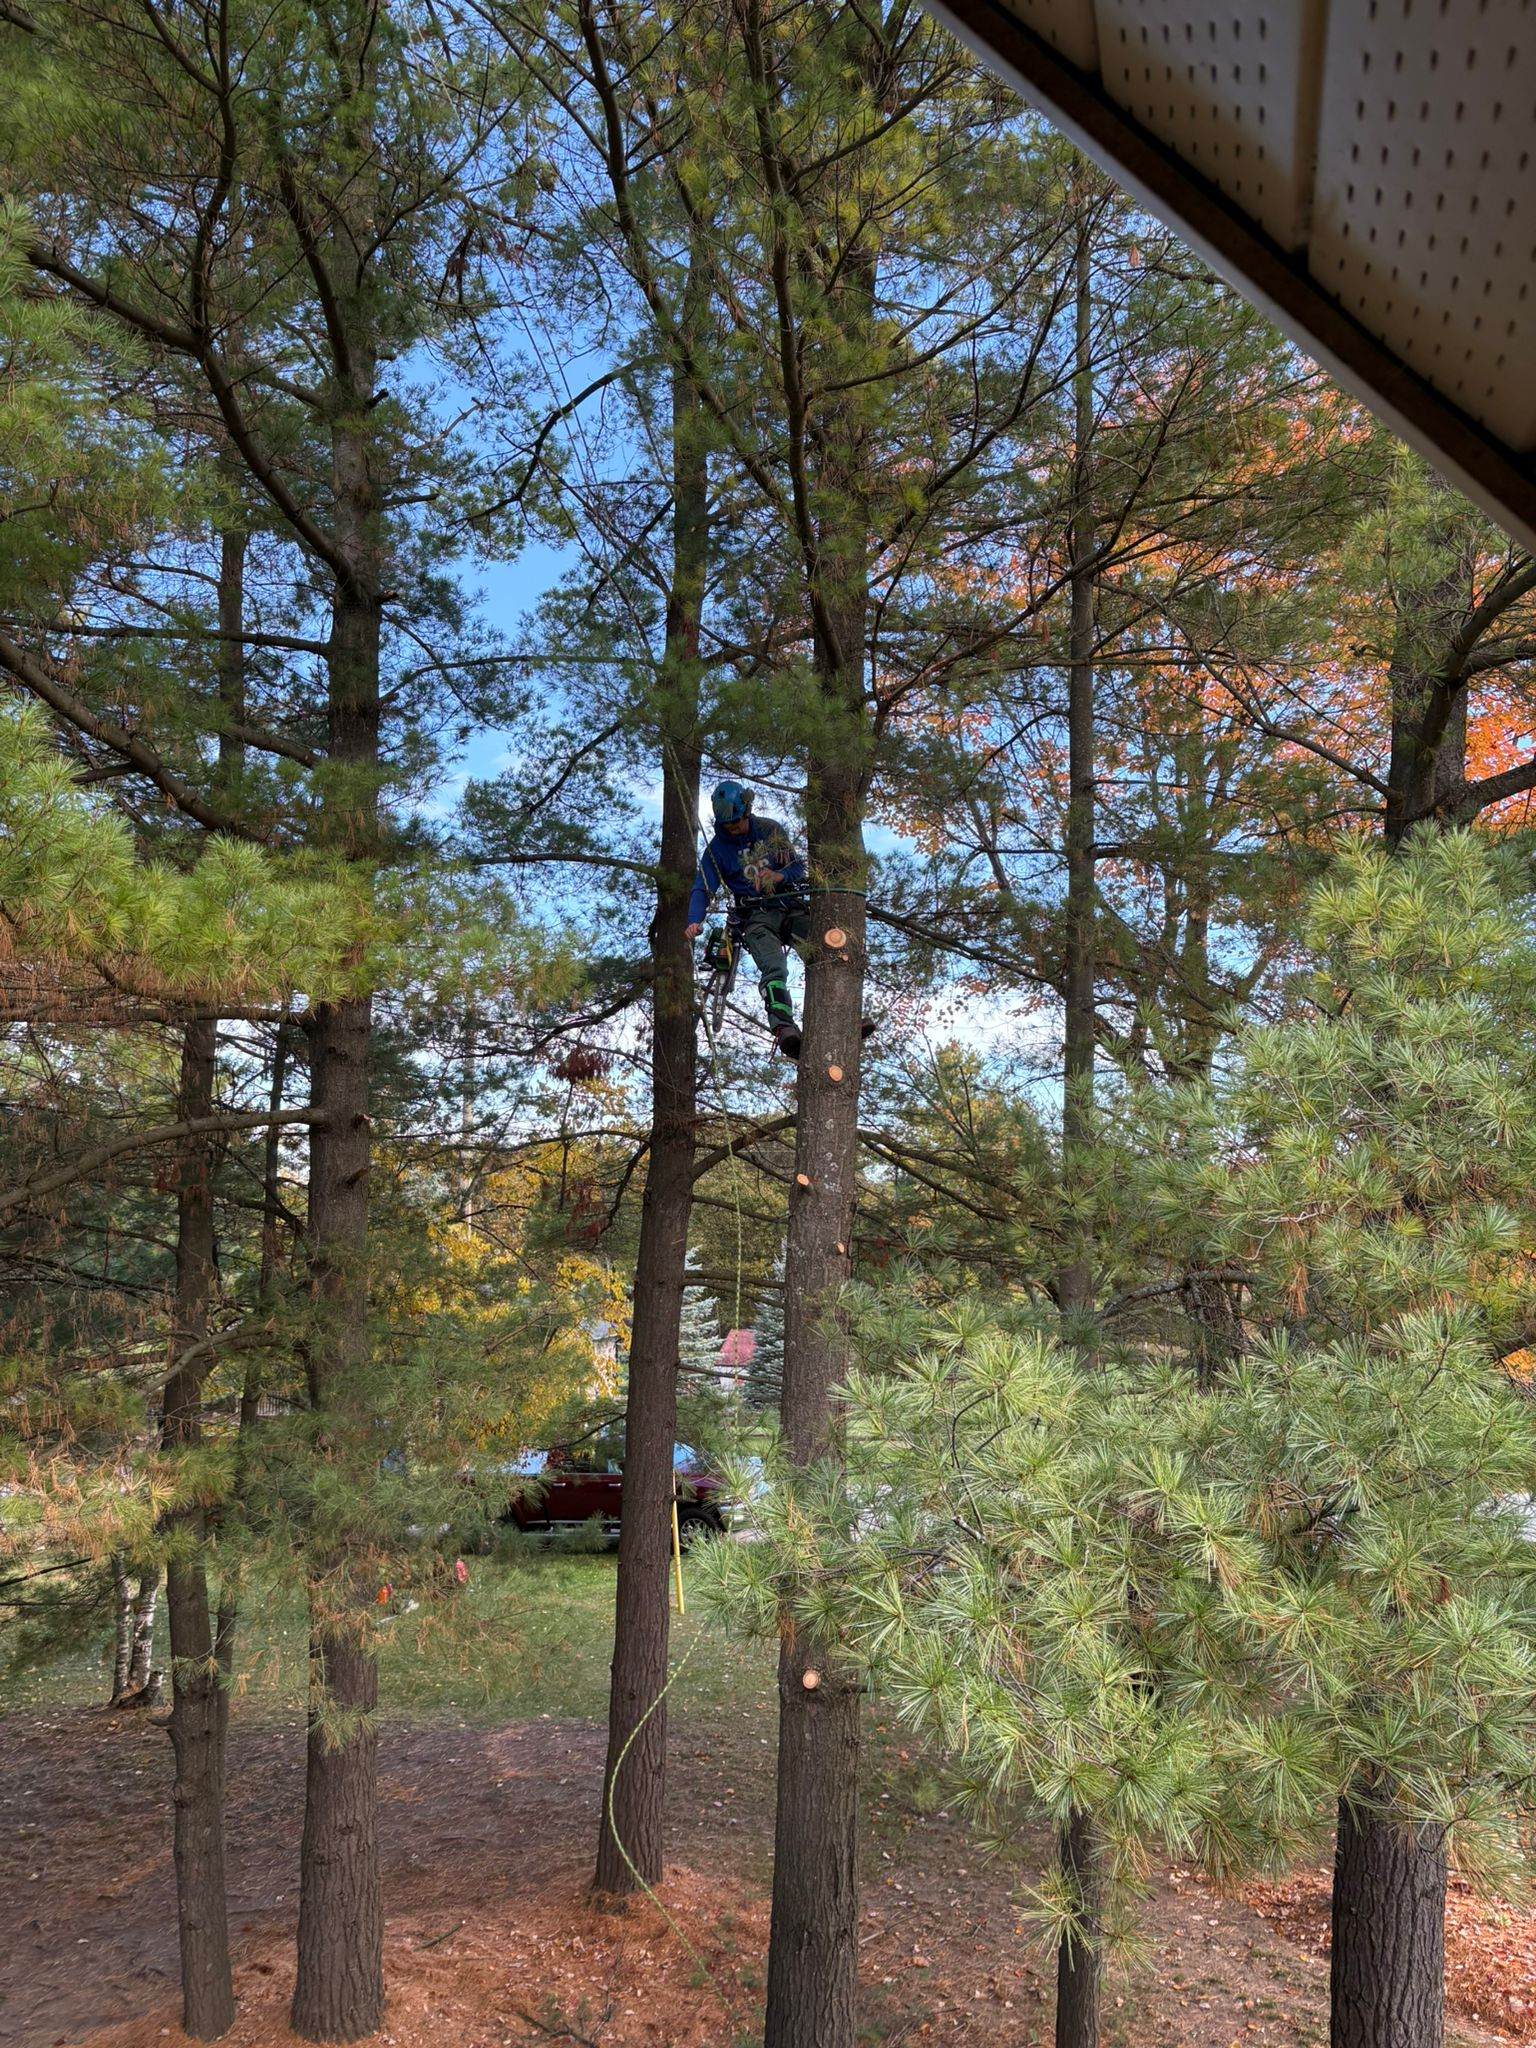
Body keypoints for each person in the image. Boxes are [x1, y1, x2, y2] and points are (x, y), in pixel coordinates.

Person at [686, 780, 809, 1056]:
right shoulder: (717, 850)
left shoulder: (770, 830)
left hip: (789, 905)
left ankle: (844, 1017)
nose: (734, 829)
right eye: (728, 825)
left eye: (737, 822)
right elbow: (703, 887)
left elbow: (797, 868)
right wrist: (694, 919)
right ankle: (785, 1030)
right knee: (774, 967)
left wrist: (779, 876)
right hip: (755, 916)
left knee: (822, 950)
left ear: (747, 810)